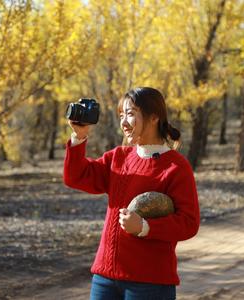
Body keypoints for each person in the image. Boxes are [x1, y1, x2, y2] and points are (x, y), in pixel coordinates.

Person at [63, 87, 200, 300]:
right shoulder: (118, 157)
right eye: (121, 115)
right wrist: (79, 137)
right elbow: (76, 177)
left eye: (130, 114)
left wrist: (145, 227)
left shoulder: (176, 167)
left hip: (150, 283)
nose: (124, 122)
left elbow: (189, 222)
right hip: (105, 278)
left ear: (154, 117)